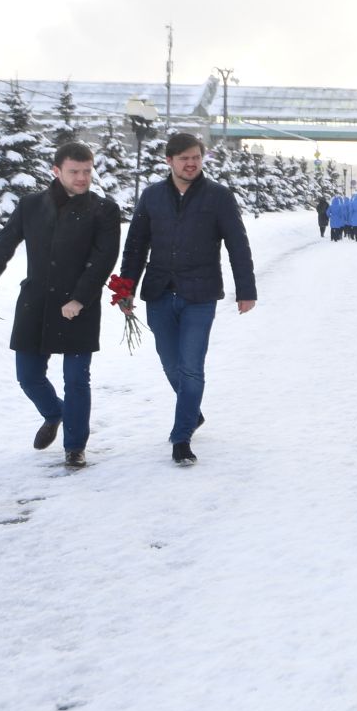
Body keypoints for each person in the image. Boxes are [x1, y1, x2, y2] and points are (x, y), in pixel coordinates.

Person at [0, 141, 123, 469]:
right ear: (56, 171)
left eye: (87, 171)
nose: (82, 178)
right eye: (74, 172)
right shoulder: (31, 206)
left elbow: (103, 259)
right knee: (28, 376)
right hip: (35, 303)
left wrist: (79, 298)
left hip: (79, 306)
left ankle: (75, 447)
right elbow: (1, 247)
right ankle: (55, 413)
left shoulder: (103, 210)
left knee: (76, 379)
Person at [116, 132, 258, 467]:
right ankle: (192, 411)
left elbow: (237, 244)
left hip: (200, 294)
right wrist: (125, 290)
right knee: (170, 363)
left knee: (192, 366)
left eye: (196, 157)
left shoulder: (218, 197)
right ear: (169, 161)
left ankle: (181, 437)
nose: (191, 163)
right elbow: (135, 246)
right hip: (160, 292)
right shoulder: (151, 197)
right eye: (184, 159)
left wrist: (246, 289)